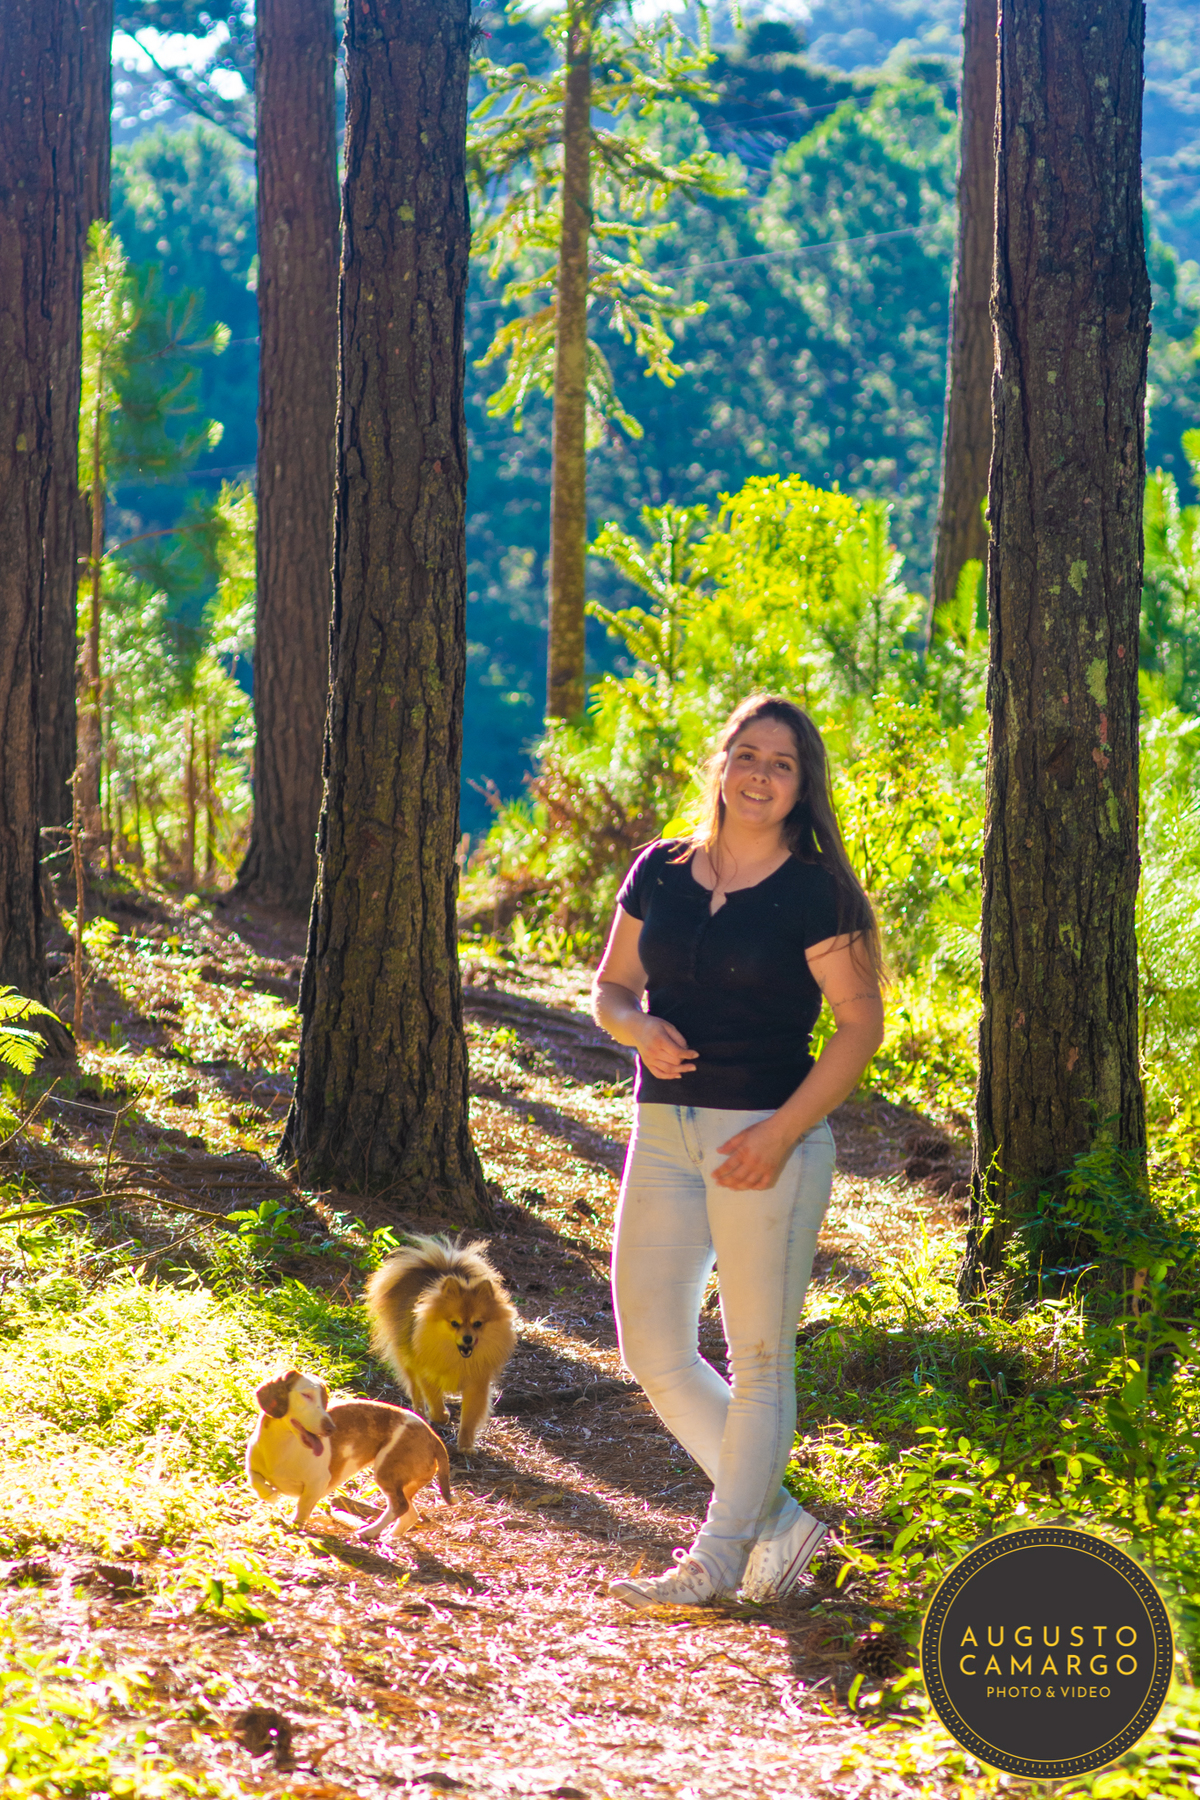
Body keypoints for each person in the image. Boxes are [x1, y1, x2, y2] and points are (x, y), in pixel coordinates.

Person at [592, 693, 885, 1608]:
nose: (760, 774)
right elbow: (612, 986)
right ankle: (783, 1528)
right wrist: (637, 1028)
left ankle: (720, 1557)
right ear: (721, 764)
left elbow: (859, 1025)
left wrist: (782, 1132)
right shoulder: (661, 871)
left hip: (767, 1141)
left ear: (803, 787)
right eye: (747, 755)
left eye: (782, 763)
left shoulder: (816, 891)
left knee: (758, 1357)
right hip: (664, 1131)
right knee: (652, 1345)